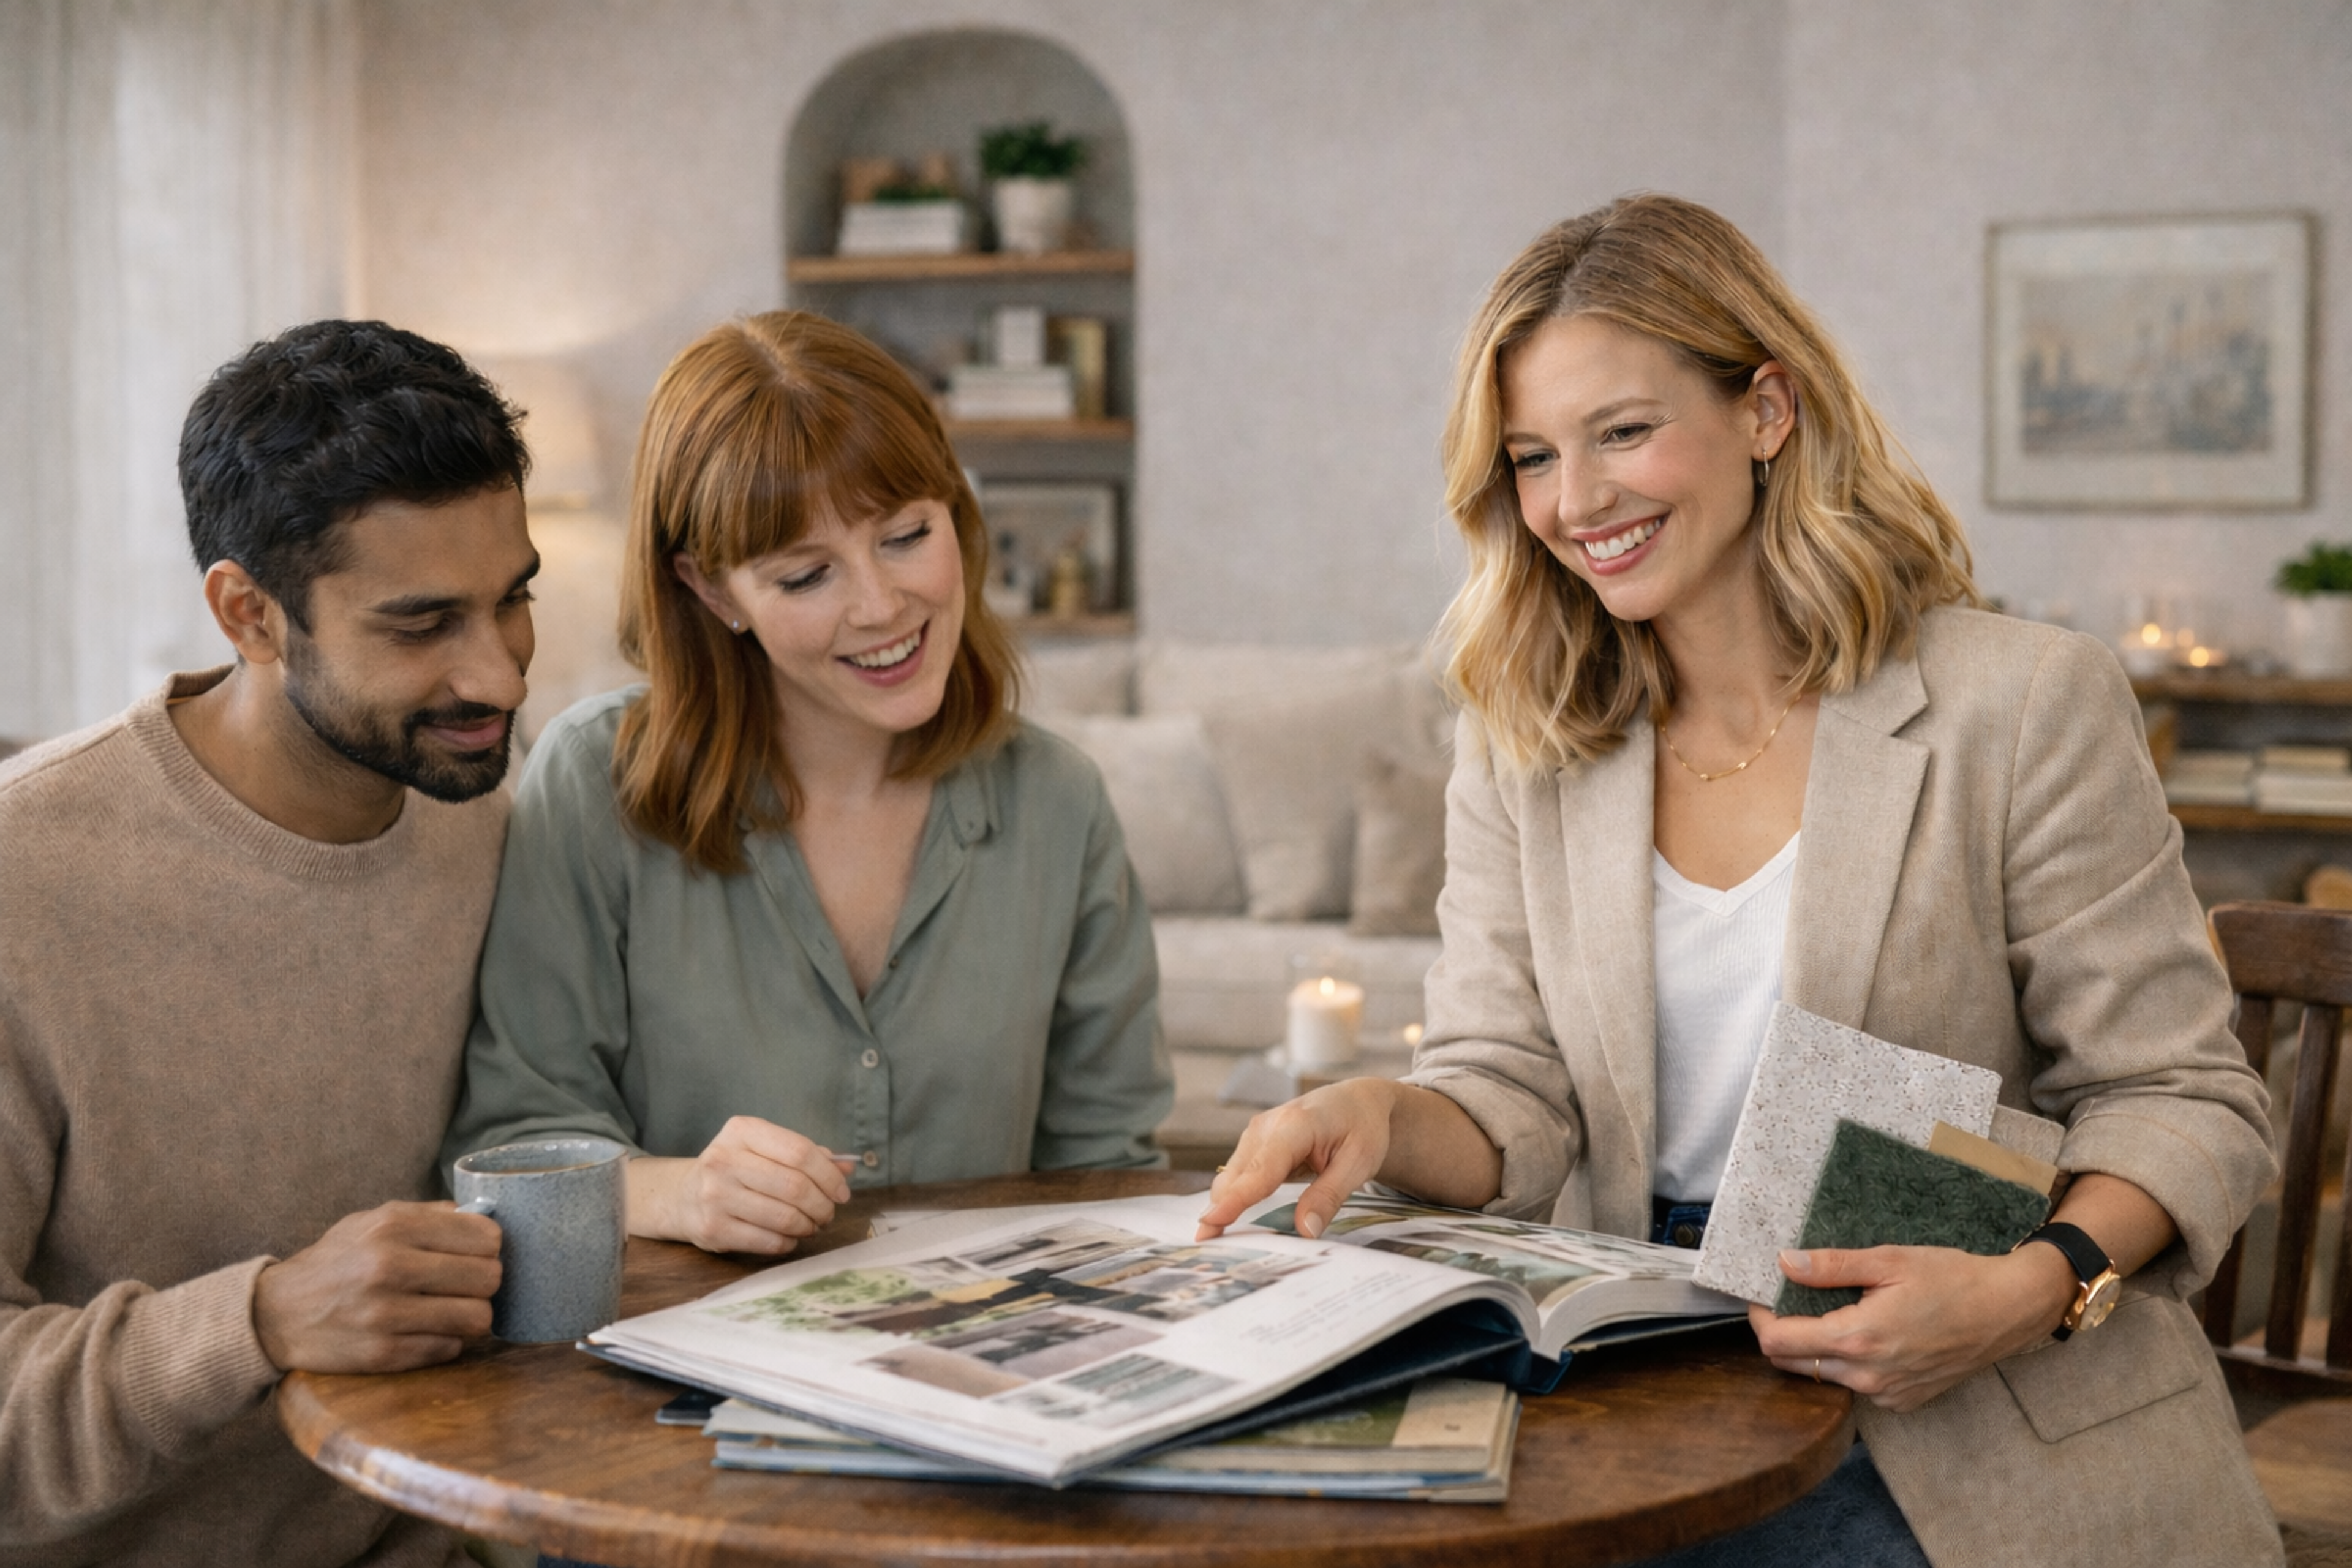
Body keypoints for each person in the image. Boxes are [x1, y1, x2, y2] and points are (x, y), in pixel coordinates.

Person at [1197, 195, 2282, 1568]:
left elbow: (2181, 1095)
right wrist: (1375, 1112)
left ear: (1767, 409)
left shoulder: (2019, 702)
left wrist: (2029, 1288)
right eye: (1532, 455)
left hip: (1960, 1385)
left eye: (1625, 431)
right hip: (1632, 1356)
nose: (1575, 501)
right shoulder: (1522, 736)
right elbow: (1506, 1093)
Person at [443, 311, 1170, 1258]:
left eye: (907, 535)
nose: (881, 606)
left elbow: (1107, 1170)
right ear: (712, 592)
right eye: (805, 576)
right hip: (677, 1370)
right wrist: (676, 1193)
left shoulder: (1058, 801)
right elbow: (511, 1148)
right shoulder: (594, 782)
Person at [0, 320, 537, 1563]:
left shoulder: (490, 822)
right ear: (250, 613)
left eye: (514, 600)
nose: (500, 676)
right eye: (422, 624)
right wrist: (260, 1315)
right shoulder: (27, 881)